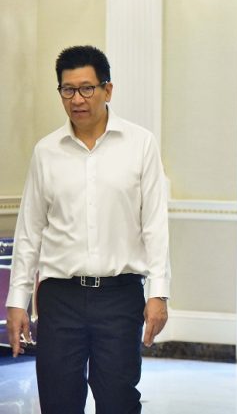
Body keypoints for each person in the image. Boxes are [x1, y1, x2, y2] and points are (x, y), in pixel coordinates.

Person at [5, 45, 171, 414]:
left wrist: (159, 293)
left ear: (107, 90)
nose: (77, 99)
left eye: (86, 88)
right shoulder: (46, 151)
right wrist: (17, 300)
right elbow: (30, 232)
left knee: (118, 400)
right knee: (58, 401)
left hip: (120, 296)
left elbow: (155, 226)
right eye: (68, 90)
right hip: (59, 298)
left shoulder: (140, 144)